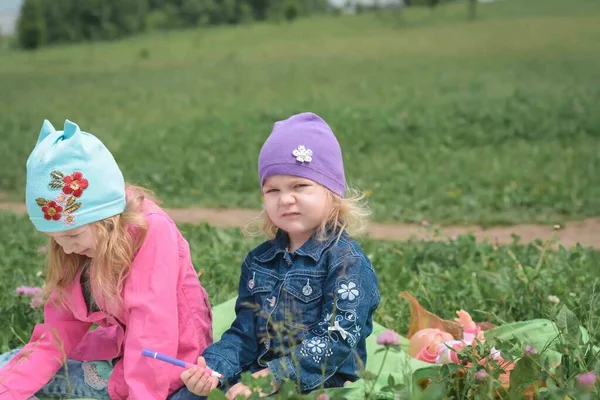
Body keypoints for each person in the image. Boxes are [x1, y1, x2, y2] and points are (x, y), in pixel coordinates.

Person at [0, 119, 213, 400]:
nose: (65, 250)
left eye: (73, 235)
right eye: (55, 239)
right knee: (9, 367)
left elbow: (152, 332)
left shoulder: (151, 231)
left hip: (167, 364)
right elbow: (57, 333)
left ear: (107, 220)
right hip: (121, 348)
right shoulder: (78, 247)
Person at [179, 112, 381, 399]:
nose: (285, 199)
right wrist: (213, 367)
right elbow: (244, 334)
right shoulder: (259, 261)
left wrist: (275, 375)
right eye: (272, 190)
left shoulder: (346, 262)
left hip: (320, 382)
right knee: (185, 395)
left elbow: (335, 339)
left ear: (332, 192)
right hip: (257, 374)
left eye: (300, 186)